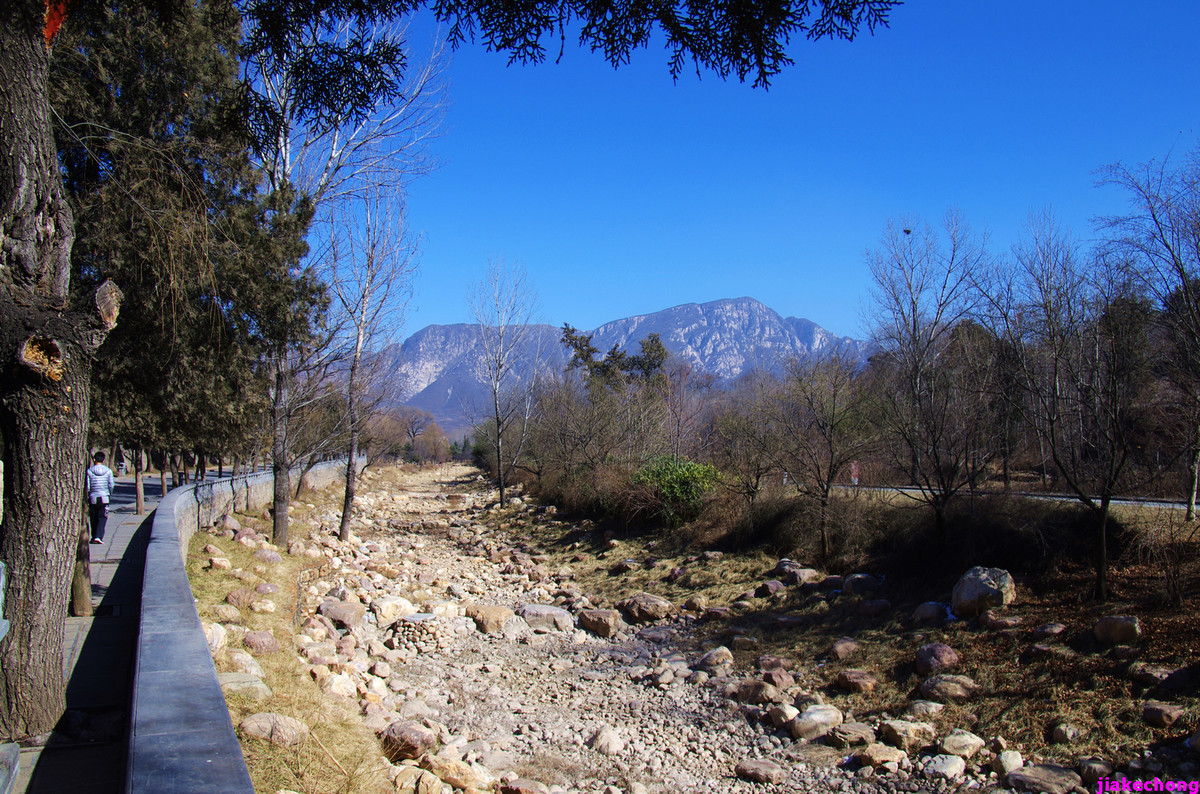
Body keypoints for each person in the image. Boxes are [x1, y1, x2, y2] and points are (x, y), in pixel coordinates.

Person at [86, 451, 115, 544]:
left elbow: (88, 486)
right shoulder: (108, 471)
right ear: (103, 460)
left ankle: (94, 535)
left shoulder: (89, 471)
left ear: (94, 459)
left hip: (93, 497)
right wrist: (109, 493)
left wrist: (88, 494)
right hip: (104, 496)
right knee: (102, 517)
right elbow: (111, 484)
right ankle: (99, 536)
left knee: (93, 517)